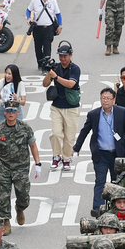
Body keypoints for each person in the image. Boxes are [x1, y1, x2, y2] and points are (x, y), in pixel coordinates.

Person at [73, 86, 125, 217]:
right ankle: (97, 208)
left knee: (116, 180)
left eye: (108, 98)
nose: (105, 100)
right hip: (100, 153)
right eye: (103, 98)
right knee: (100, 180)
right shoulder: (94, 114)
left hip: (117, 153)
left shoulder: (121, 112)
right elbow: (85, 131)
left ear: (114, 100)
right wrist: (76, 147)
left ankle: (115, 207)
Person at [0, 101, 41, 228]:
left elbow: (33, 146)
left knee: (24, 196)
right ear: (4, 112)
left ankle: (19, 208)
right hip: (4, 167)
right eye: (8, 111)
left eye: (14, 111)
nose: (11, 113)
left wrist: (38, 164)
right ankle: (6, 220)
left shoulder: (25, 128)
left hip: (21, 168)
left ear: (18, 113)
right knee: (4, 196)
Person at [45, 42, 81, 171]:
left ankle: (66, 158)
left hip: (72, 107)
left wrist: (56, 77)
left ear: (70, 55)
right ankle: (56, 156)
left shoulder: (75, 69)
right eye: (61, 56)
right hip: (57, 107)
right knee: (55, 133)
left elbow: (71, 84)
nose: (63, 58)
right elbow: (45, 84)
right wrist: (49, 73)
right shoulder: (55, 67)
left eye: (65, 56)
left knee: (69, 136)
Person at [26, 0, 62, 71]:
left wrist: (60, 26)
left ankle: (46, 66)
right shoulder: (35, 0)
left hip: (48, 28)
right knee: (38, 48)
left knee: (47, 47)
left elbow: (58, 14)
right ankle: (40, 63)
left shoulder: (53, 1)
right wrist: (29, 18)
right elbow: (28, 10)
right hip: (38, 28)